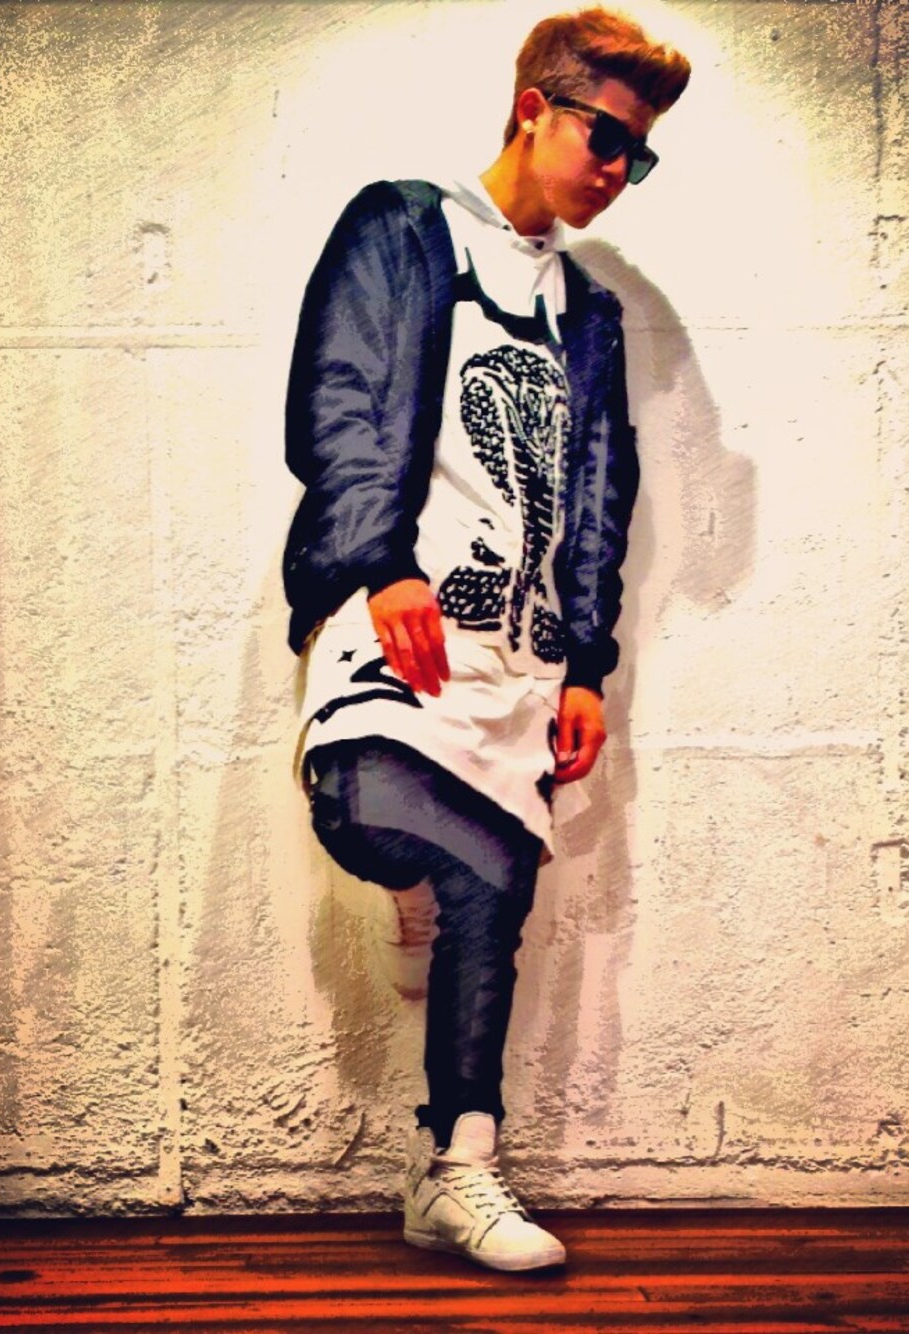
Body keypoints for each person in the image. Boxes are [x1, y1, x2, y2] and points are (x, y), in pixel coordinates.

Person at [282, 7, 690, 1272]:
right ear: (532, 109)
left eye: (640, 154)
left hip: (520, 661)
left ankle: (453, 1168)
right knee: (366, 805)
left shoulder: (588, 312)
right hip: (397, 620)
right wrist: (379, 561)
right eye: (606, 137)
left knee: (492, 890)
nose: (618, 168)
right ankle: (419, 899)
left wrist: (587, 667)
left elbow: (602, 497)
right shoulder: (404, 228)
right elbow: (340, 395)